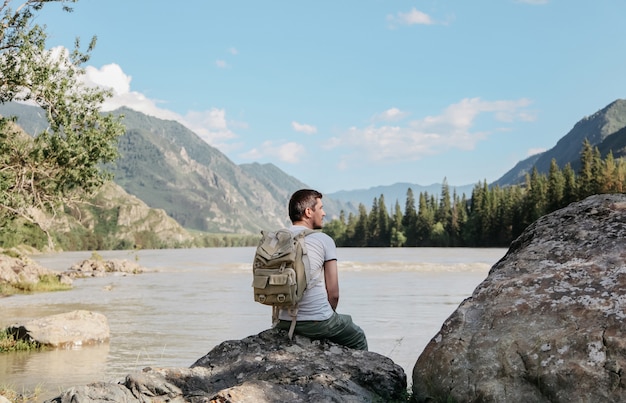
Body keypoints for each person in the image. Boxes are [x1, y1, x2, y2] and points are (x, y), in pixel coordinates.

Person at [275, 189, 368, 350]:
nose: (324, 213)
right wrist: (326, 317)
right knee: (357, 336)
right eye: (321, 208)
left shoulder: (277, 238)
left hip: (282, 321)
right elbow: (334, 294)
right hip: (316, 322)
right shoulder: (323, 240)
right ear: (308, 212)